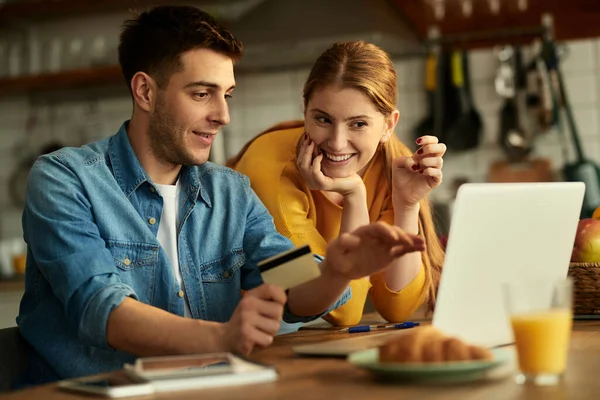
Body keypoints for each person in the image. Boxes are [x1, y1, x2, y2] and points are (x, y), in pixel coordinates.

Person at [13, 7, 426, 388]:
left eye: (226, 95)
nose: (223, 115)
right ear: (145, 92)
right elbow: (100, 308)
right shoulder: (65, 179)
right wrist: (223, 337)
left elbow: (287, 280)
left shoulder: (229, 191)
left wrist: (334, 273)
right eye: (201, 94)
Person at [229, 41, 446, 327]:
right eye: (323, 119)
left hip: (318, 340)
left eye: (358, 124)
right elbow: (342, 311)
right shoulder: (268, 166)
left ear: (389, 125)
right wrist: (355, 195)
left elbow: (398, 308)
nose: (337, 142)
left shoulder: (397, 164)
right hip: (258, 332)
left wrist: (407, 206)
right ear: (305, 108)